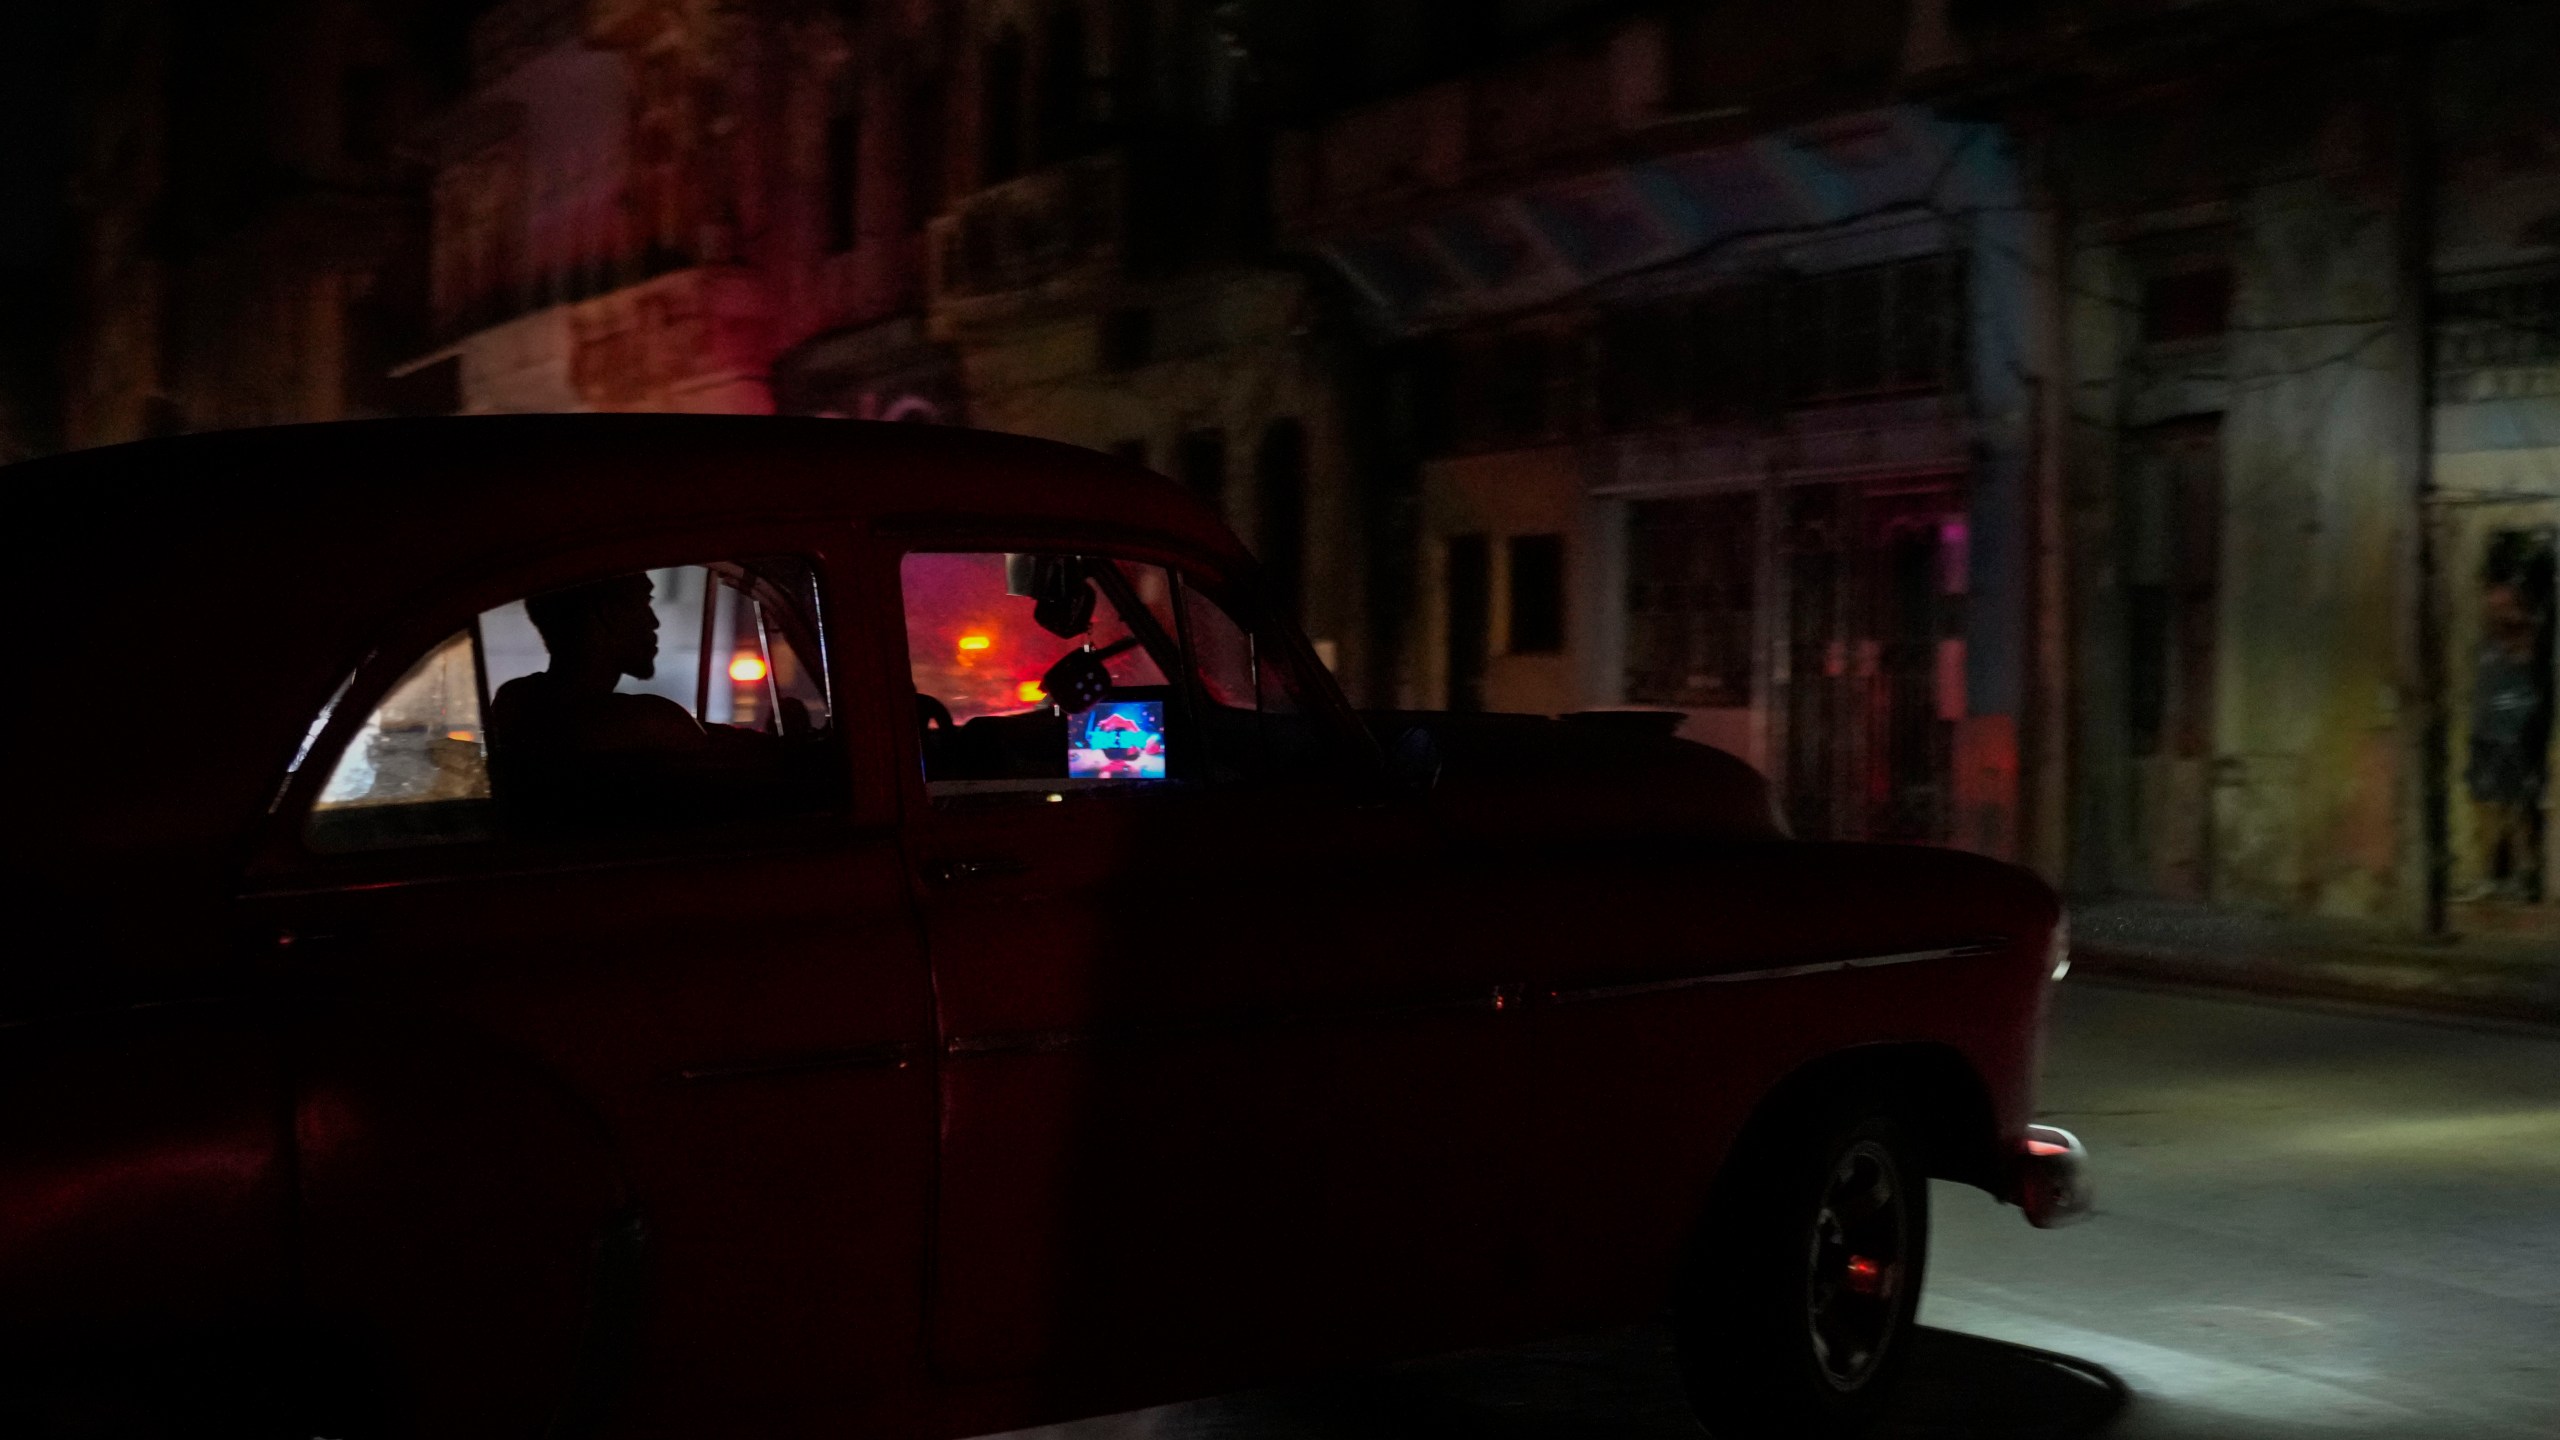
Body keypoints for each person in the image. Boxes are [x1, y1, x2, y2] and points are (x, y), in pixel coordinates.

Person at [488, 573, 799, 828]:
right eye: (644, 603)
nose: (654, 622)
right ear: (608, 614)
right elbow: (770, 778)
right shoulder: (648, 722)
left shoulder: (516, 701)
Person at [2464, 582, 2550, 902]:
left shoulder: (2520, 640)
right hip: (2484, 737)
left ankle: (2525, 879)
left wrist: (2516, 622)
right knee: (2486, 811)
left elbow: (2526, 677)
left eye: (2501, 606)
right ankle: (2488, 877)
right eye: (2491, 606)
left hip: (2509, 740)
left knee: (2514, 811)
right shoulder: (2487, 645)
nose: (2494, 612)